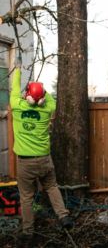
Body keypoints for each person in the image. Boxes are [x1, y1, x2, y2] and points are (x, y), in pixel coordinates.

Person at [10, 57, 73, 246]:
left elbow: (14, 91)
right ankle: (63, 217)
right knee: (52, 187)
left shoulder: (17, 108)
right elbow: (51, 100)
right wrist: (42, 94)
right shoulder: (47, 110)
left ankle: (28, 233)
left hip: (25, 163)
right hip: (45, 160)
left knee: (26, 197)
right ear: (42, 99)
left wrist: (18, 69)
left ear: (27, 96)